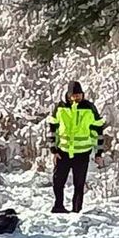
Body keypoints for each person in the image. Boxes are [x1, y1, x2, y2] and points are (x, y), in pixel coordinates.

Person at [47, 81, 106, 214]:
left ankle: (76, 210)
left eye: (79, 95)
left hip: (82, 153)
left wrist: (99, 153)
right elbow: (53, 129)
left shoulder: (89, 108)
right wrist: (53, 150)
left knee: (79, 185)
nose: (76, 97)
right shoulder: (60, 108)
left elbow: (98, 131)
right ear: (68, 95)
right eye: (74, 95)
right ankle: (58, 206)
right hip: (63, 152)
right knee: (58, 182)